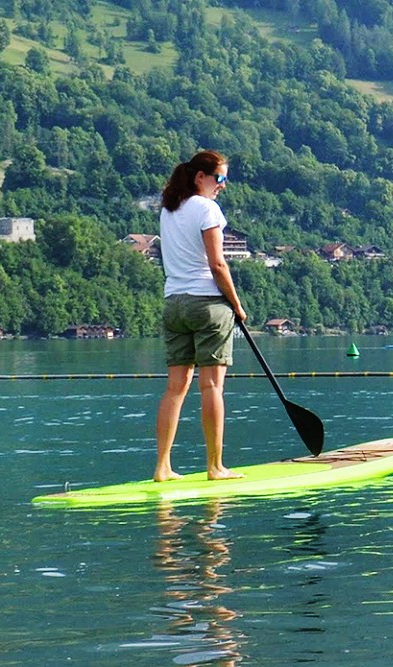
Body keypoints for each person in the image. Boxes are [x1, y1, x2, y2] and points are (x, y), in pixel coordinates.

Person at [154, 150, 246, 482]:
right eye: (219, 179)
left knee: (175, 388)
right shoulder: (207, 209)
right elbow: (217, 264)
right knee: (211, 387)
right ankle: (215, 467)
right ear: (200, 178)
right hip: (207, 304)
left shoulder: (169, 209)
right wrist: (236, 304)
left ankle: (162, 467)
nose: (222, 186)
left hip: (173, 303)